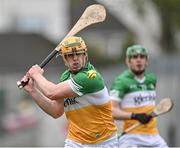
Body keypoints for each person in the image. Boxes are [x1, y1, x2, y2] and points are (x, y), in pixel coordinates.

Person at [21, 36, 119, 147]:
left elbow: (52, 93)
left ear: (85, 55)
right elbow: (56, 111)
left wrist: (36, 74)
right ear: (64, 59)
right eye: (70, 55)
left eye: (79, 54)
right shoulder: (65, 77)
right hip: (75, 142)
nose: (75, 58)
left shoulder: (90, 77)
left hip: (104, 141)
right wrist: (33, 90)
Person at [110, 45, 168, 147]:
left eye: (142, 57)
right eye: (135, 57)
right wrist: (135, 116)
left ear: (147, 61)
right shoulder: (121, 81)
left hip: (154, 135)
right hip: (131, 136)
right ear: (127, 61)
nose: (139, 60)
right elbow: (111, 111)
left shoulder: (151, 79)